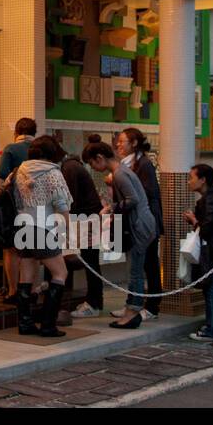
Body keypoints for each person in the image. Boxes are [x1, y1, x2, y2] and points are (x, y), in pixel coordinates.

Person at [83, 141, 156, 329]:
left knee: (135, 272)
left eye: (92, 164)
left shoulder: (120, 174)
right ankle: (132, 310)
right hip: (142, 223)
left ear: (99, 158)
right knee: (135, 271)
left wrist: (110, 209)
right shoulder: (123, 170)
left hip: (139, 225)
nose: (94, 168)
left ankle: (132, 312)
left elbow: (133, 200)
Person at [12, 135, 73, 337]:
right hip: (42, 228)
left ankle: (25, 324)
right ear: (50, 153)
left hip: (22, 227)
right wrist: (68, 227)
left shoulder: (19, 171)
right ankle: (48, 324)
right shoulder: (52, 172)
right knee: (60, 273)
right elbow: (61, 204)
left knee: (26, 276)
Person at [115, 127, 163, 320]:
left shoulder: (143, 164)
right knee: (136, 266)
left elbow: (147, 193)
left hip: (146, 222)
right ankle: (132, 303)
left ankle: (152, 306)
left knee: (150, 264)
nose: (118, 145)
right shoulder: (128, 164)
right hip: (135, 222)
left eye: (122, 141)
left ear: (133, 143)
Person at [183, 163, 213, 341]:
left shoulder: (211, 199)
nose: (189, 181)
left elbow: (208, 227)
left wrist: (194, 220)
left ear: (203, 180)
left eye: (191, 178)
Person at [60, 143, 105, 317]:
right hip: (88, 218)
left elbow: (70, 200)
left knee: (90, 261)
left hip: (86, 220)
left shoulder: (69, 168)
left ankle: (94, 304)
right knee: (91, 260)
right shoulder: (73, 165)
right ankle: (94, 301)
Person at [0, 117, 36, 301]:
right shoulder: (39, 149)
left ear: (16, 133)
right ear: (34, 133)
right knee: (31, 248)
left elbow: (2, 173)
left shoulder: (11, 149)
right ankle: (30, 289)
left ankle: (12, 291)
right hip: (36, 207)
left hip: (15, 205)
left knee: (11, 249)